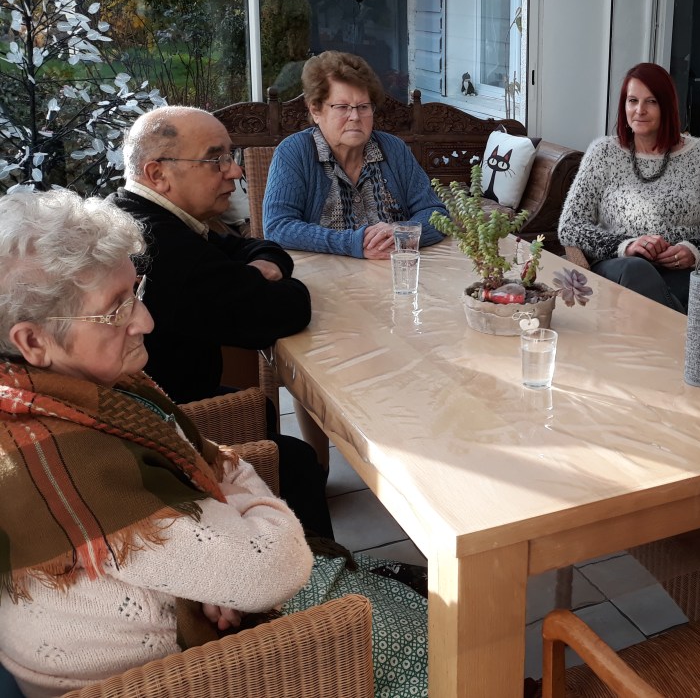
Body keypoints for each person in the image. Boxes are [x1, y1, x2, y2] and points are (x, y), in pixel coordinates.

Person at [0, 190, 427, 698]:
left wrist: (220, 570)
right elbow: (275, 568)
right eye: (115, 310)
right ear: (32, 341)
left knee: (400, 592)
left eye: (135, 292)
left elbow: (214, 470)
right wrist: (234, 552)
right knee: (436, 646)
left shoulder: (86, 393)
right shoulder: (63, 460)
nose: (145, 321)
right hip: (166, 677)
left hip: (186, 610)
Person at [112, 106, 331, 540]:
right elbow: (289, 309)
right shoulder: (164, 249)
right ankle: (312, 567)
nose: (234, 171)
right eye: (216, 159)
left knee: (262, 410)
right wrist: (263, 276)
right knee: (297, 461)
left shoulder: (142, 214)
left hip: (165, 403)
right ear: (158, 173)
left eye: (231, 156)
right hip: (154, 437)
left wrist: (259, 267)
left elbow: (253, 247)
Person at [559, 62, 700, 311]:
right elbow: (570, 225)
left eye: (651, 101)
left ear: (667, 107)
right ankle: (684, 333)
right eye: (632, 101)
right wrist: (625, 246)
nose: (639, 110)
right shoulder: (602, 153)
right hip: (621, 269)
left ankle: (667, 332)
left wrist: (694, 250)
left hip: (684, 273)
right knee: (636, 271)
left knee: (681, 295)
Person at [262, 51, 447, 259]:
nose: (355, 116)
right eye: (342, 107)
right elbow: (278, 226)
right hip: (325, 274)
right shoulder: (294, 153)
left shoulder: (394, 149)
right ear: (315, 110)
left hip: (392, 270)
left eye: (363, 107)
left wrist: (400, 232)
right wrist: (354, 243)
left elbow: (437, 214)